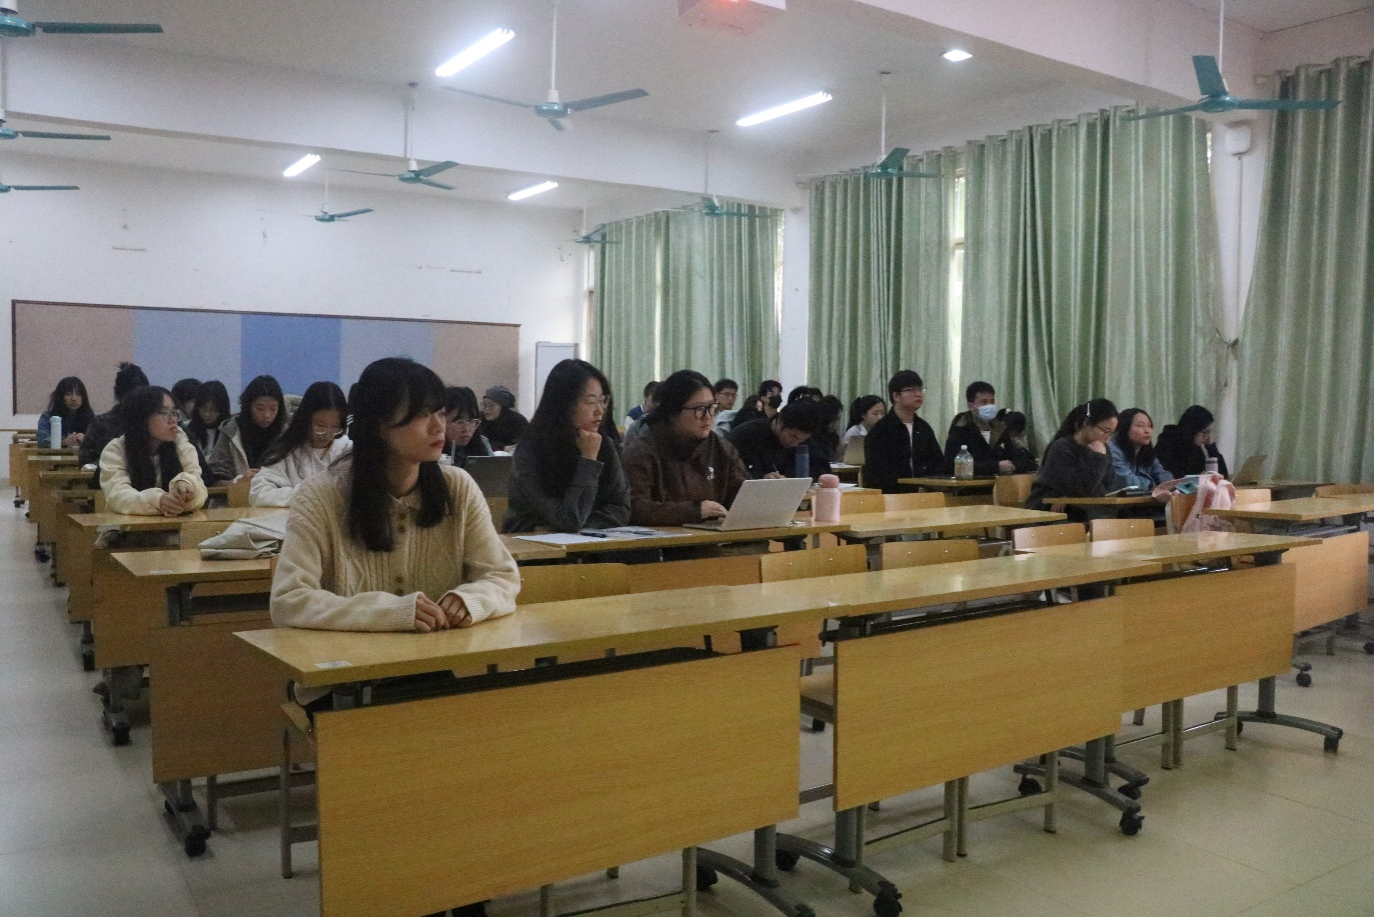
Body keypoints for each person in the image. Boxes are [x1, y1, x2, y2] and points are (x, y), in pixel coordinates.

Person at [270, 356, 520, 635]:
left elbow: (502, 576)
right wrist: (389, 612)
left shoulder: (458, 487)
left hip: (439, 658)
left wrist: (470, 600)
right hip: (349, 660)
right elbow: (288, 601)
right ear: (379, 424)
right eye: (422, 414)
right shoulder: (320, 496)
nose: (439, 427)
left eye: (440, 413)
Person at [503, 359, 631, 533]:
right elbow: (569, 519)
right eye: (590, 401)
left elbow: (621, 509)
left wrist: (580, 526)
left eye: (603, 400)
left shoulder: (604, 443)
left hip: (585, 542)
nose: (600, 410)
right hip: (533, 545)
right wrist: (588, 460)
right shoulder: (531, 450)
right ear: (563, 404)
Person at [621, 369, 747, 525]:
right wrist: (694, 512)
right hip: (664, 538)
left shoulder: (722, 449)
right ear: (673, 412)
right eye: (699, 409)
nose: (708, 416)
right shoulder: (642, 451)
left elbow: (742, 495)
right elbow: (635, 508)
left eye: (712, 407)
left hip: (715, 535)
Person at [98, 385, 208, 516]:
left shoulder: (180, 441)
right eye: (164, 413)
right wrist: (158, 500)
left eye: (174, 412)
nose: (173, 419)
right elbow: (118, 496)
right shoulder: (115, 450)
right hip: (126, 527)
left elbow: (200, 487)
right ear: (141, 417)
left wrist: (187, 488)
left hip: (175, 524)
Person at [250, 381, 352, 507]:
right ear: (306, 419)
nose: (327, 435)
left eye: (335, 427)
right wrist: (309, 495)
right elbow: (258, 493)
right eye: (320, 426)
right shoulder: (288, 450)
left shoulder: (347, 451)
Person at [1026, 399, 1119, 519]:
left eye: (1111, 433)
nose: (1107, 438)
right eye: (1104, 431)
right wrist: (1100, 458)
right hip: (1050, 509)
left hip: (1081, 507)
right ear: (1086, 423)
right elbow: (1082, 487)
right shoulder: (1062, 447)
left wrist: (1071, 496)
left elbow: (1108, 485)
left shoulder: (1102, 449)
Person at [863, 370, 947, 493]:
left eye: (920, 389)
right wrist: (913, 489)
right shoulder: (881, 430)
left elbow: (937, 464)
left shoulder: (923, 428)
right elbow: (879, 473)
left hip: (926, 494)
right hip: (893, 496)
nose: (918, 394)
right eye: (912, 390)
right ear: (896, 396)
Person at [207, 375, 287, 483]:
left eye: (273, 408)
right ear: (248, 406)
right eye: (260, 408)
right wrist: (239, 481)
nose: (267, 415)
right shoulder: (232, 430)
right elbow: (215, 477)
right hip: (238, 492)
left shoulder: (286, 434)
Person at [728, 399, 830, 481]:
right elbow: (730, 473)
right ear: (780, 422)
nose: (796, 443)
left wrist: (791, 478)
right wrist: (760, 478)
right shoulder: (745, 435)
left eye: (802, 440)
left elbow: (823, 470)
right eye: (793, 437)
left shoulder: (803, 438)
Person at [944, 381, 1026, 476]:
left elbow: (1019, 459)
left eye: (992, 402)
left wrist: (1013, 466)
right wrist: (996, 467)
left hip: (999, 482)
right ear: (971, 406)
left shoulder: (1000, 428)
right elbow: (953, 465)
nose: (990, 406)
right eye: (984, 402)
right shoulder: (960, 428)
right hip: (971, 483)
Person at [79, 362, 149, 468]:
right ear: (120, 394)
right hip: (108, 475)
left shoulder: (151, 422)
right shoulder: (101, 423)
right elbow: (86, 459)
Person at [1109, 408, 1173, 497]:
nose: (1147, 430)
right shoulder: (1113, 450)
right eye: (1140, 425)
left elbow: (1163, 474)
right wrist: (1151, 484)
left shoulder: (1146, 452)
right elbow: (1128, 482)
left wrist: (1171, 486)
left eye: (1149, 426)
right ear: (1124, 428)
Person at [1156, 405, 1229, 478]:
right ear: (1193, 430)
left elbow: (1222, 476)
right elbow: (1171, 478)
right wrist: (1198, 478)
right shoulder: (1167, 443)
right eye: (1205, 432)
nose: (1207, 436)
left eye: (1209, 432)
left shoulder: (1194, 444)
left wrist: (1211, 448)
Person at [441, 386, 493, 467]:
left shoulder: (482, 444)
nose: (466, 429)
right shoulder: (432, 449)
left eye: (472, 421)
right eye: (459, 422)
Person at [37, 376, 94, 448]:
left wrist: (86, 439)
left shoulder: (91, 418)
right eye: (69, 394)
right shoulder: (47, 417)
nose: (74, 398)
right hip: (54, 455)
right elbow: (42, 440)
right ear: (60, 397)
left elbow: (99, 442)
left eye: (78, 394)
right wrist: (62, 441)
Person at [184, 381, 231, 455]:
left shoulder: (231, 430)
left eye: (213, 410)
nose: (207, 414)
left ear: (222, 409)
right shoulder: (185, 428)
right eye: (203, 409)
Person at [478, 385, 528, 451]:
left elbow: (525, 443)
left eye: (491, 405)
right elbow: (479, 443)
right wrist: (502, 448)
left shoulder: (518, 421)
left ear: (503, 408)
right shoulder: (480, 420)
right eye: (484, 404)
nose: (486, 409)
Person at [814, 394, 845, 462]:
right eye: (832, 420)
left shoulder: (835, 438)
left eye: (838, 419)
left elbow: (837, 458)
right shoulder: (811, 438)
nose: (835, 424)